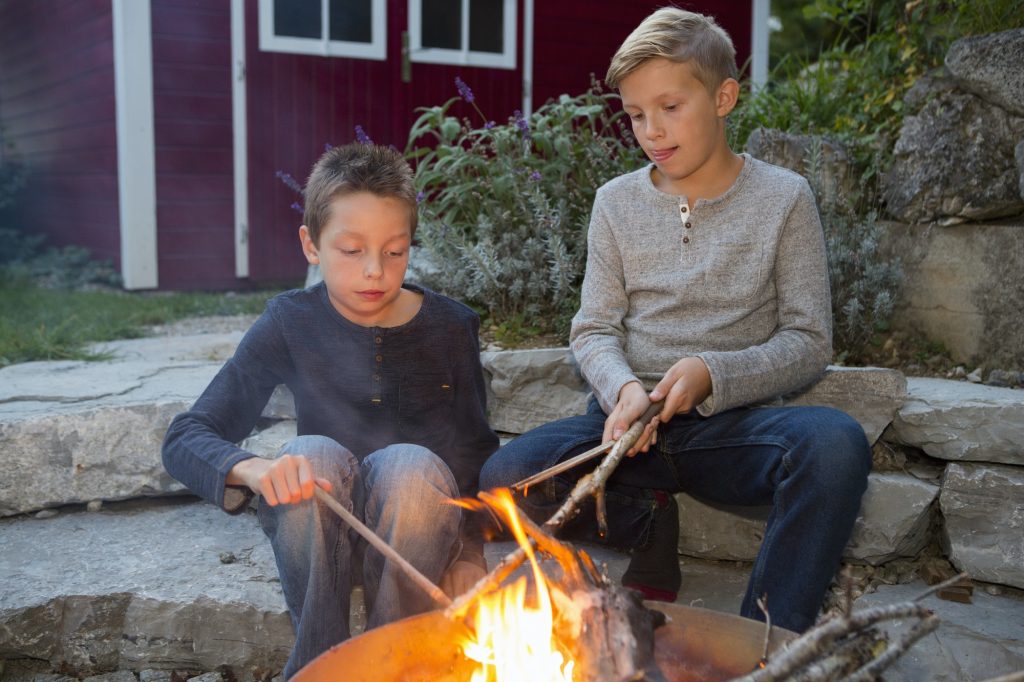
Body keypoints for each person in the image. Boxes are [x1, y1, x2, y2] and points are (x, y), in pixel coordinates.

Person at [479, 7, 870, 634]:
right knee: (502, 477)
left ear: (723, 97)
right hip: (623, 431)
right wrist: (624, 390)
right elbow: (595, 328)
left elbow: (808, 341)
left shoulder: (785, 198)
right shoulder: (615, 203)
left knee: (833, 445)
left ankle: (767, 641)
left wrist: (712, 373)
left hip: (728, 430)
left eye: (669, 107)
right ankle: (644, 517)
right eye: (636, 114)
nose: (652, 131)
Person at [162, 143, 499, 677]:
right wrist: (255, 469)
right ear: (311, 245)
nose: (375, 272)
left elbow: (475, 449)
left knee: (410, 466)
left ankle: (394, 661)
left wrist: (469, 553)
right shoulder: (290, 321)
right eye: (351, 250)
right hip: (321, 537)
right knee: (309, 456)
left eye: (395, 251)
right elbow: (186, 435)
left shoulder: (451, 326)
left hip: (415, 530)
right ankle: (322, 663)